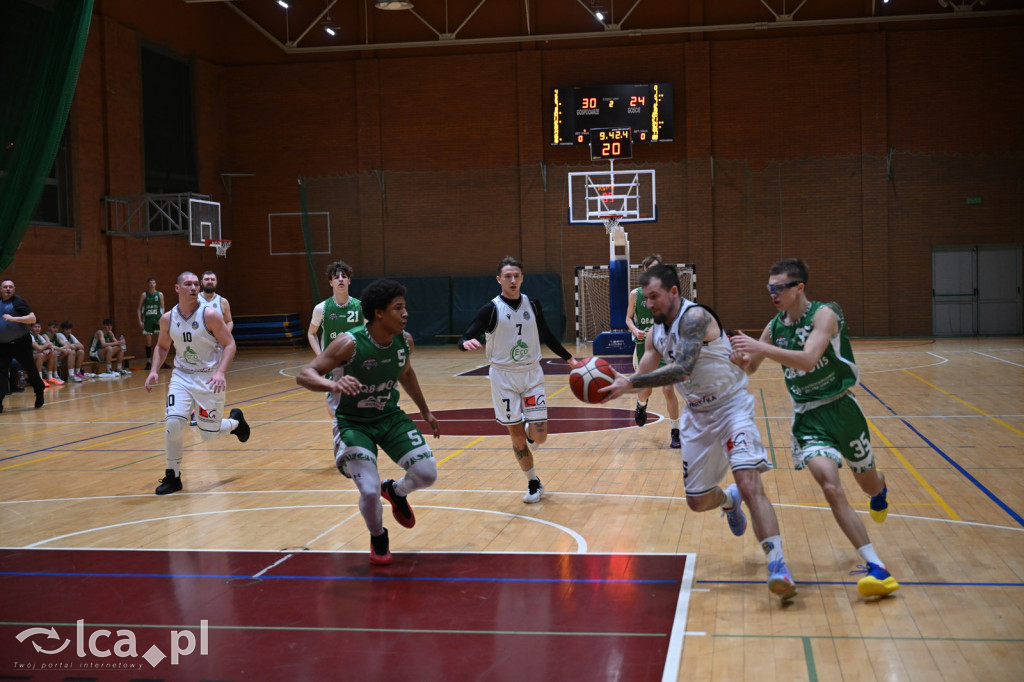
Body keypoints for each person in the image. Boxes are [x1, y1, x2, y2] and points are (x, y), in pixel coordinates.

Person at [600, 265, 798, 601]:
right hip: (697, 417)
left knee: (749, 483)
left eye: (654, 297)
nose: (649, 304)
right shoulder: (654, 335)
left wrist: (630, 382)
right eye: (645, 298)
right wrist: (614, 385)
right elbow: (642, 374)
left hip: (731, 407)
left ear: (674, 292)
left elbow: (682, 368)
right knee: (697, 501)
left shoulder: (695, 318)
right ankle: (728, 501)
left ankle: (778, 566)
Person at [729, 258, 898, 598]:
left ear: (799, 288)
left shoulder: (825, 315)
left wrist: (760, 347)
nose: (773, 294)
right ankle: (876, 567)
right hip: (809, 419)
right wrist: (741, 361)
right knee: (830, 485)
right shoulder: (774, 326)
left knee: (867, 483)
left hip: (842, 408)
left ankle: (880, 490)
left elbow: (807, 360)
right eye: (770, 289)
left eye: (779, 288)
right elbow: (752, 368)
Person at [296, 278, 440, 565]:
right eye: (398, 308)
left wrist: (425, 410)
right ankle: (378, 534)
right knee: (370, 490)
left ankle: (396, 491)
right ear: (379, 313)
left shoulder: (404, 341)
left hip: (389, 416)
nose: (405, 313)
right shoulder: (348, 343)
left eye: (405, 307)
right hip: (353, 422)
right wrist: (332, 386)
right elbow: (304, 374)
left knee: (427, 474)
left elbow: (406, 373)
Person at [458, 256, 578, 504]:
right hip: (503, 377)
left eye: (517, 276)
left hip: (532, 374)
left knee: (540, 435)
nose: (512, 280)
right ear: (499, 279)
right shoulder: (490, 309)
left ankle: (529, 429)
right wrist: (464, 343)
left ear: (522, 278)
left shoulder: (532, 304)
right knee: (516, 437)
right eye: (508, 276)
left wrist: (569, 358)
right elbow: (467, 334)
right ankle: (534, 482)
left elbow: (545, 333)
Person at [144, 271, 250, 495]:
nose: (193, 288)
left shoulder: (209, 315)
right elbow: (162, 347)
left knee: (208, 435)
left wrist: (221, 372)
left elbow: (230, 345)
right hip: (181, 376)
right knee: (173, 425)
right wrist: (154, 369)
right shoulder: (168, 318)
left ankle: (235, 423)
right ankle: (173, 476)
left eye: (195, 284)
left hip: (208, 378)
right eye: (188, 284)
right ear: (177, 288)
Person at [625, 254, 682, 447]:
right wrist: (635, 330)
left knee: (668, 389)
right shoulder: (635, 294)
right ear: (644, 271)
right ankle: (641, 405)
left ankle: (675, 432)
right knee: (645, 390)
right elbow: (628, 318)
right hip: (644, 347)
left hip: (665, 346)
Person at [0, 280, 46, 413]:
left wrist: (13, 319)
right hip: (3, 345)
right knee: (1, 372)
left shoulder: (18, 302)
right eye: (5, 287)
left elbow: (32, 319)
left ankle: (39, 390)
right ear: (0, 289)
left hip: (21, 342)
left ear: (14, 289)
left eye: (10, 287)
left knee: (30, 369)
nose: (8, 289)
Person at [307, 261, 362, 357]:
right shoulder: (321, 308)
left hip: (355, 362)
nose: (340, 279)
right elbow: (311, 333)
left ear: (349, 281)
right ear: (331, 283)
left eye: (344, 276)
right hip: (331, 363)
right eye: (336, 277)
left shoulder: (361, 307)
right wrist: (320, 357)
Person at [138, 278, 166, 369]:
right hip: (148, 320)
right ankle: (149, 362)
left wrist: (162, 318)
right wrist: (140, 320)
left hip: (157, 319)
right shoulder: (144, 295)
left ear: (156, 284)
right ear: (148, 284)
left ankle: (161, 361)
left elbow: (162, 307)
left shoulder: (160, 294)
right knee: (149, 342)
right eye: (150, 283)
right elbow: (139, 308)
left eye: (154, 282)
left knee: (160, 342)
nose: (152, 284)